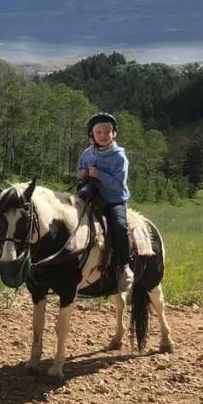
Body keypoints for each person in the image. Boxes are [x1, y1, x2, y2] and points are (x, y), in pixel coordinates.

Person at [78, 112, 133, 292]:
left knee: (118, 225)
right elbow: (81, 170)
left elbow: (118, 184)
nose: (103, 135)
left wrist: (99, 175)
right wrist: (82, 176)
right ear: (92, 135)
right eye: (98, 132)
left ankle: (124, 267)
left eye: (107, 132)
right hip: (90, 197)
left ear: (114, 134)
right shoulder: (87, 153)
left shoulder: (120, 157)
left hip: (113, 200)